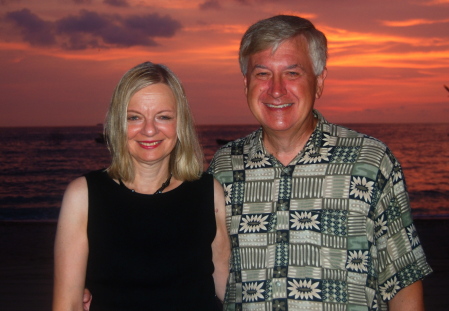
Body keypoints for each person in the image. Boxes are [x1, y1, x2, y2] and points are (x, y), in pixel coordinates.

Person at [207, 15, 432, 310]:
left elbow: (403, 279)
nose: (276, 89)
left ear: (319, 81)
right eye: (263, 74)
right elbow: (215, 274)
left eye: (292, 73)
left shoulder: (370, 162)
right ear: (246, 82)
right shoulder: (223, 168)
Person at [53, 61, 230, 310]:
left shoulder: (208, 192)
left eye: (163, 117)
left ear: (180, 124)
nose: (149, 130)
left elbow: (229, 290)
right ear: (118, 124)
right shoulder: (83, 196)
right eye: (134, 117)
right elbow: (67, 304)